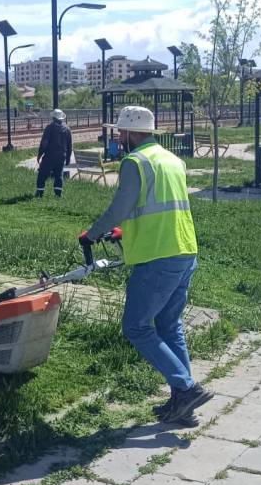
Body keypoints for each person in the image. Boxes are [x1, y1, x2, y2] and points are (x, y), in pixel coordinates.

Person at [80, 106, 210, 424]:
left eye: (120, 133)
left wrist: (92, 234)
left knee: (136, 326)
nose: (118, 138)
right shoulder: (171, 160)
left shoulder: (134, 161)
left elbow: (119, 207)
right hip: (184, 249)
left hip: (157, 256)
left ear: (131, 133)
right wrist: (124, 231)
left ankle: (186, 387)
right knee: (169, 326)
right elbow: (157, 207)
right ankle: (184, 407)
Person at [36, 109, 73, 198]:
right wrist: (68, 158)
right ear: (61, 118)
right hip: (61, 156)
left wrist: (40, 155)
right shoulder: (67, 129)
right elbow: (70, 145)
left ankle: (40, 193)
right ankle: (58, 194)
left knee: (42, 174)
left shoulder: (49, 128)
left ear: (53, 117)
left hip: (50, 155)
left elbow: (44, 143)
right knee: (58, 175)